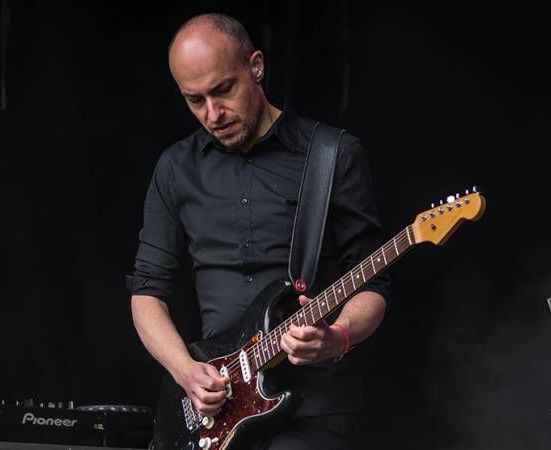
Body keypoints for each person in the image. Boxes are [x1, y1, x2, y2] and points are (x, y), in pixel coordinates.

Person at [127, 13, 391, 449]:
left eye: (223, 90)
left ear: (256, 66)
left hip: (314, 406)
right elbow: (147, 294)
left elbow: (373, 280)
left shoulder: (332, 156)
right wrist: (186, 371)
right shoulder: (175, 169)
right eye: (195, 101)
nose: (213, 113)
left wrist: (339, 337)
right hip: (215, 410)